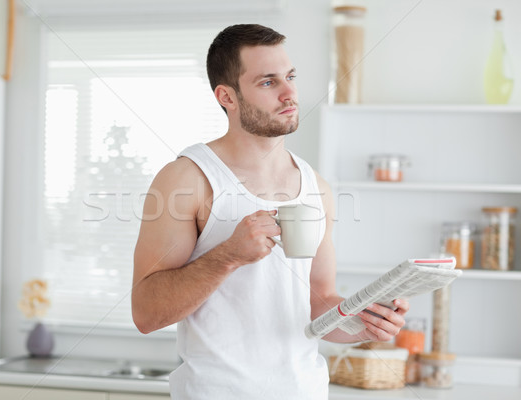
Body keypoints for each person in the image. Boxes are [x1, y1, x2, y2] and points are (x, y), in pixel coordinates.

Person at [132, 24, 409, 399]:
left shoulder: (316, 187)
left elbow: (317, 303)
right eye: (267, 82)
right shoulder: (187, 178)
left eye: (290, 76)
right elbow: (146, 313)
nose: (290, 93)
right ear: (226, 96)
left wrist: (363, 324)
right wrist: (227, 256)